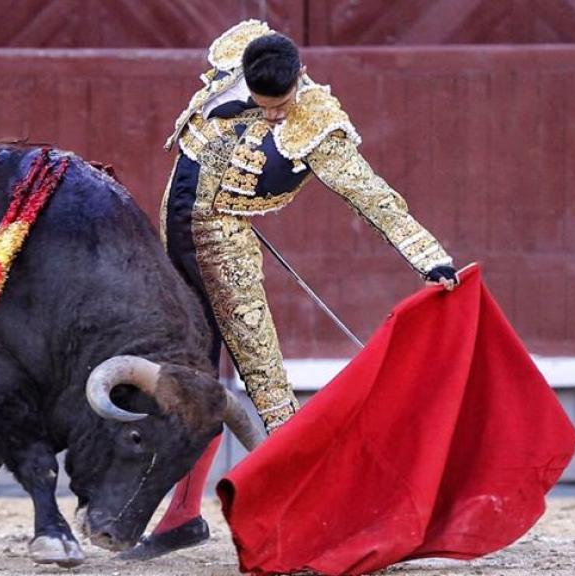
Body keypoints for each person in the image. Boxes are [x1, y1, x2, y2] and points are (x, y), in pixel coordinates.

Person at [120, 19, 459, 561]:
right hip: (175, 244)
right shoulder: (234, 63)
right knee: (192, 374)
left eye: (283, 103)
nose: (277, 113)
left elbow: (372, 195)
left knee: (268, 388)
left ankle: (324, 516)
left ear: (300, 78)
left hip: (226, 254)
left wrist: (429, 257)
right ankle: (182, 518)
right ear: (244, 76)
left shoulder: (317, 121)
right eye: (265, 103)